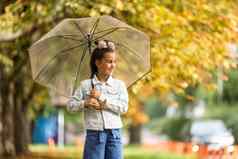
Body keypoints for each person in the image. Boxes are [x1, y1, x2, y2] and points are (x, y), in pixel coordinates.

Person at [67, 40, 128, 159]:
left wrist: (101, 98)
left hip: (114, 135)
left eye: (114, 61)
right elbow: (70, 105)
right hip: (94, 134)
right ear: (98, 63)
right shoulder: (86, 85)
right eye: (109, 61)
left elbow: (123, 107)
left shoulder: (119, 85)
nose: (113, 65)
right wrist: (85, 103)